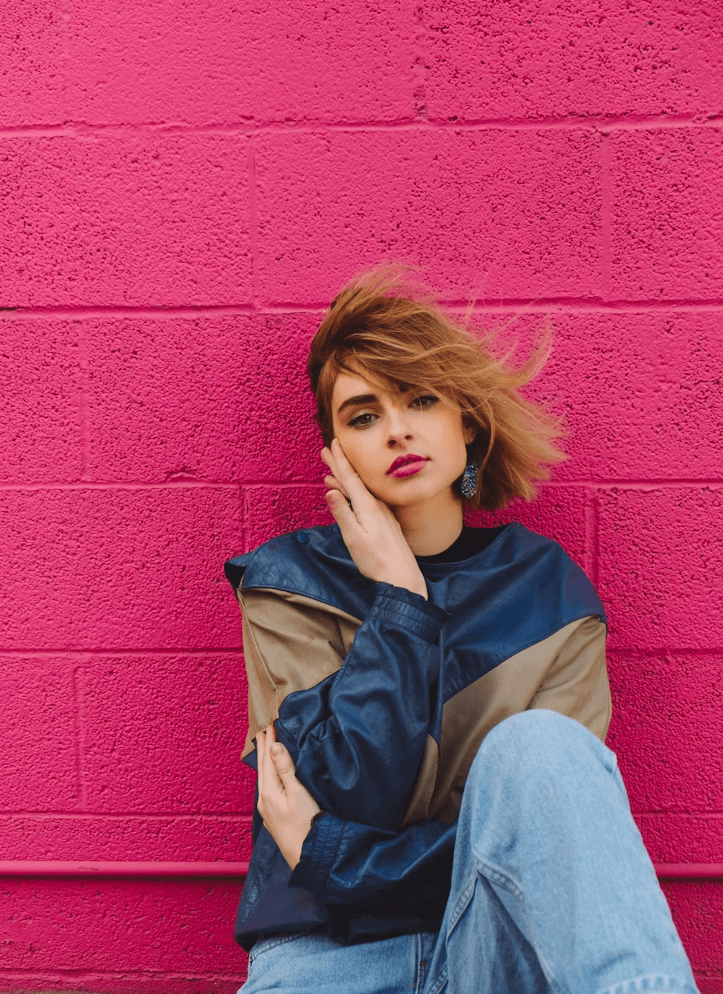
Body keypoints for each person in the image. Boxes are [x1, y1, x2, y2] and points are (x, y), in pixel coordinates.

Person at [224, 264, 698, 994]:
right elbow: (351, 789)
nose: (397, 430)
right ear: (335, 453)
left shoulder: (548, 592)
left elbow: (550, 841)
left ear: (465, 422)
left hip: (495, 942)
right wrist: (400, 598)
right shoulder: (288, 585)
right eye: (362, 415)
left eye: (418, 398)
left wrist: (335, 857)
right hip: (326, 955)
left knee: (540, 750)